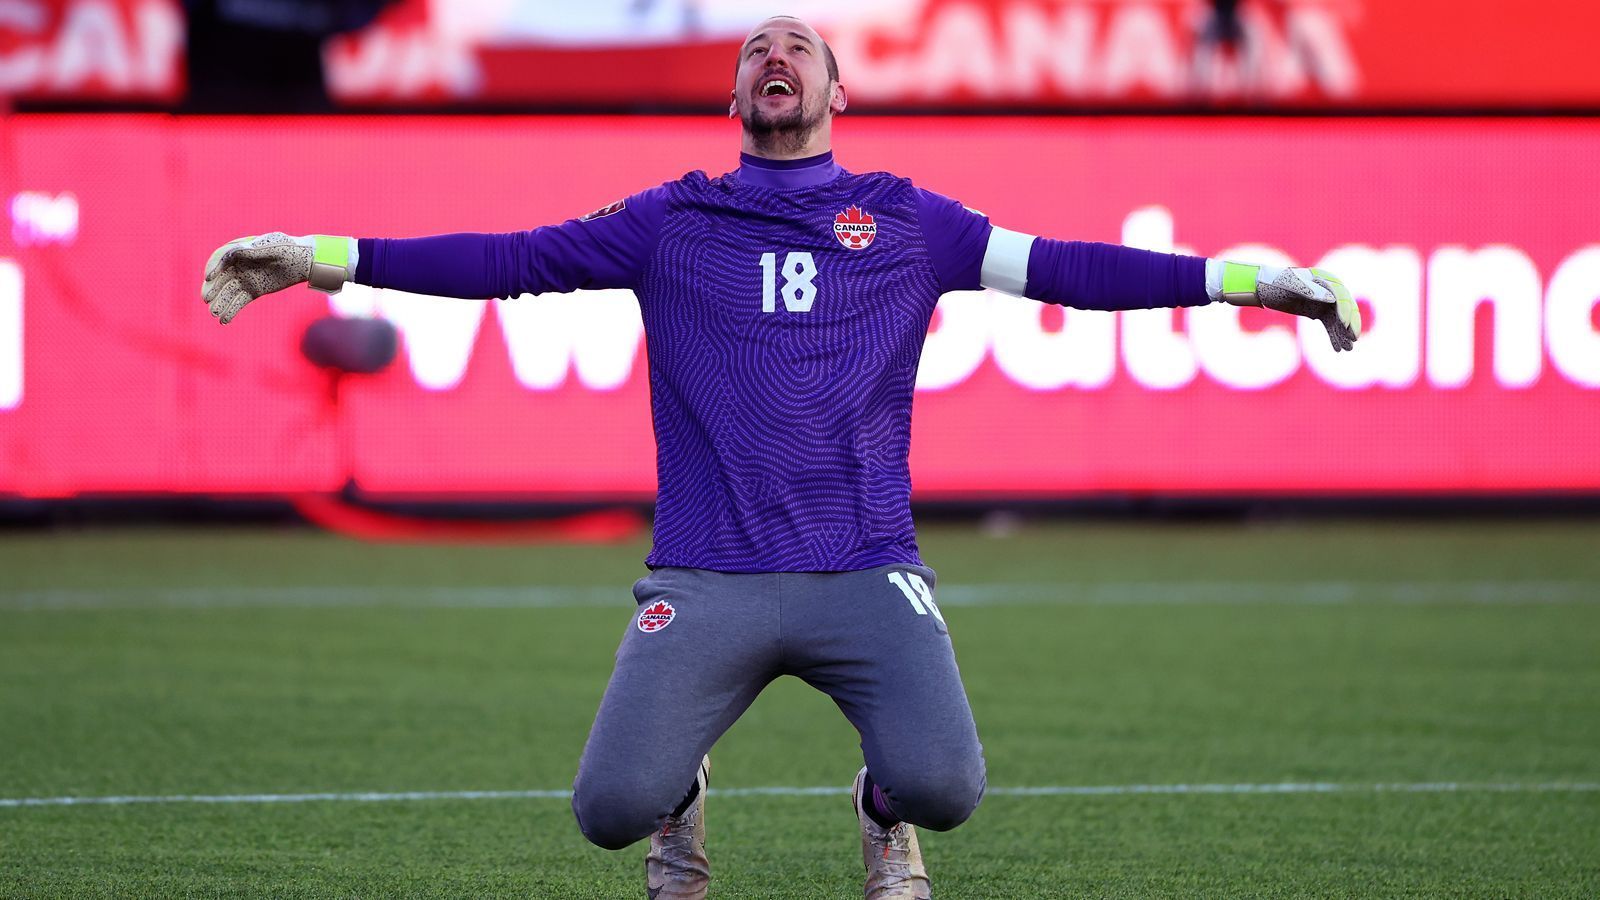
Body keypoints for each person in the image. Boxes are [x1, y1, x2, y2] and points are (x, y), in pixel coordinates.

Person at [200, 15, 1360, 899]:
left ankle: (879, 805)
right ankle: (680, 796)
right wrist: (315, 255)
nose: (776, 53)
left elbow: (1076, 269)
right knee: (609, 812)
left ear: (836, 91)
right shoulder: (672, 221)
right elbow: (503, 257)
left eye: (799, 45)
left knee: (946, 789)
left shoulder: (909, 220)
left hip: (863, 571)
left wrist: (1252, 280)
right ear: (738, 92)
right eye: (759, 45)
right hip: (708, 577)